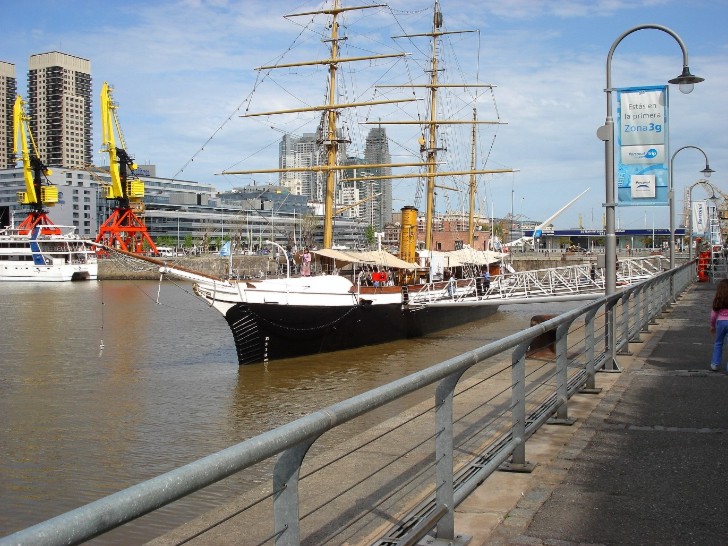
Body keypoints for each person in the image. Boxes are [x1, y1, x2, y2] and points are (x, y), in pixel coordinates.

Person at [710, 279, 728, 372]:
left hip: (720, 322)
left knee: (718, 343)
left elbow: (713, 315)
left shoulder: (718, 300)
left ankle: (715, 363)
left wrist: (712, 326)